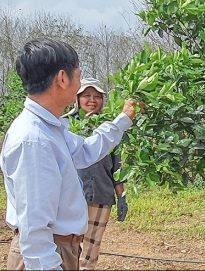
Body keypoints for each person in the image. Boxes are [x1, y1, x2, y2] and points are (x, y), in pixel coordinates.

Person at [0, 38, 143, 270]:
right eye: (78, 76)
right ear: (63, 78)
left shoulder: (51, 128)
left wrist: (123, 119)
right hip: (47, 255)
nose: (80, 85)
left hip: (60, 249)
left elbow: (86, 150)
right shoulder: (34, 140)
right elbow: (35, 229)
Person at [64, 78, 129, 270]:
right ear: (77, 99)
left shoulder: (111, 128)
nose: (92, 100)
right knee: (68, 243)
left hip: (102, 193)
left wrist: (122, 196)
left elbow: (117, 167)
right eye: (86, 96)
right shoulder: (64, 125)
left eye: (97, 96)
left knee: (92, 246)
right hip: (71, 195)